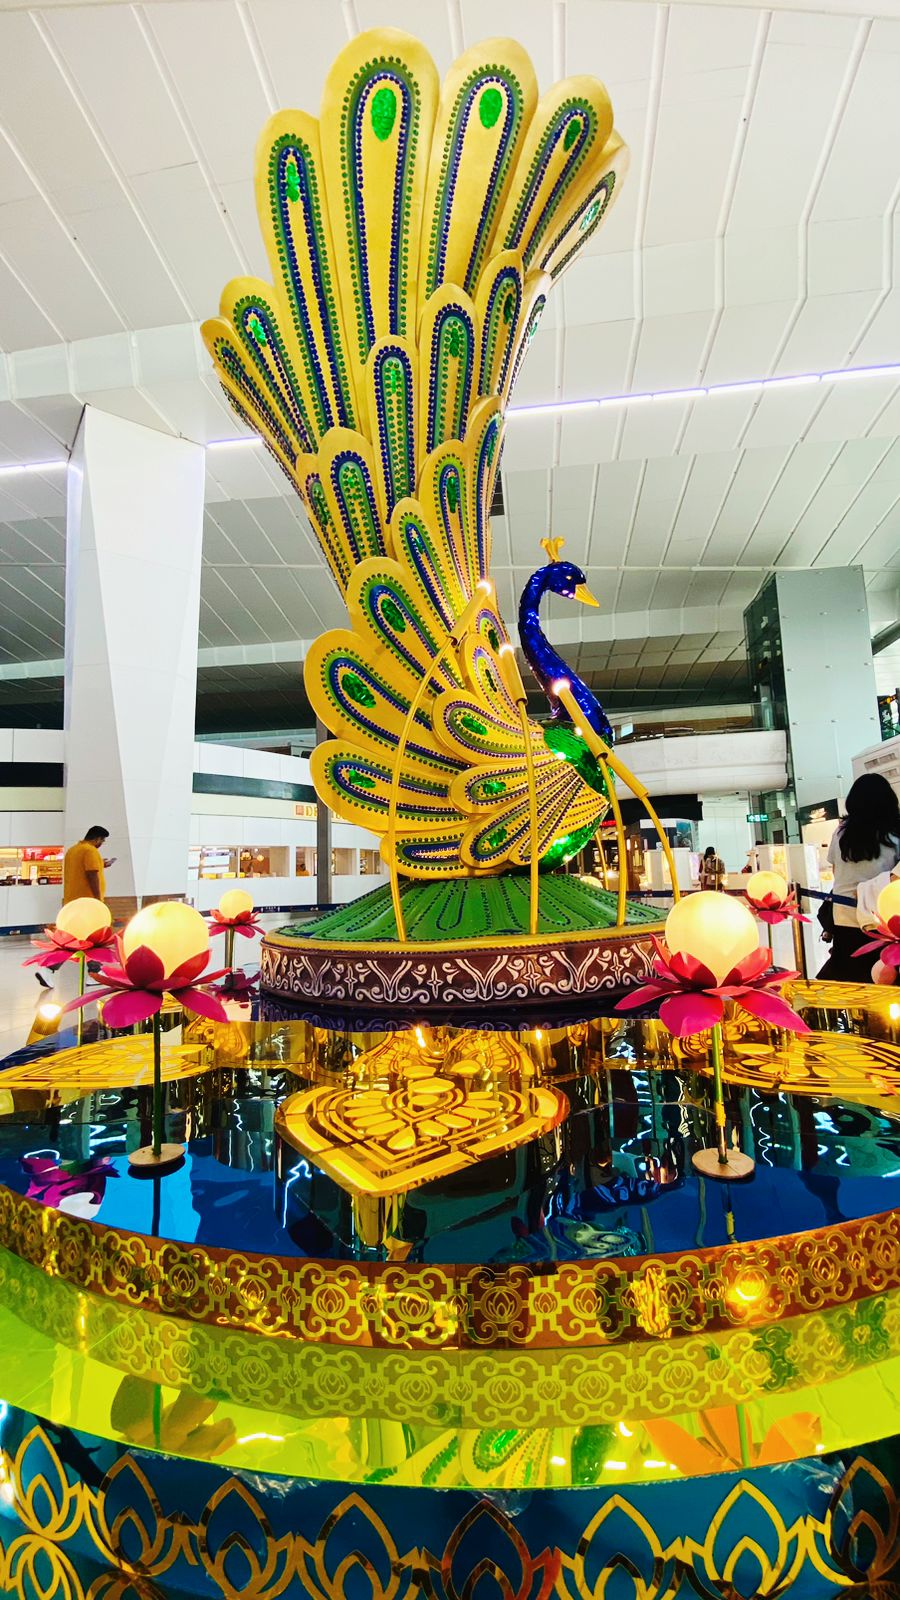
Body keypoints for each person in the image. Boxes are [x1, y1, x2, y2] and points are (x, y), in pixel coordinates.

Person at [818, 774, 900, 981]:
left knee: (853, 981)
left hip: (844, 917)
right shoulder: (894, 832)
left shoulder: (841, 832)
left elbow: (836, 872)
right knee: (886, 981)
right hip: (884, 923)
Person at [62, 826, 110, 904]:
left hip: (71, 900)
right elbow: (92, 874)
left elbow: (79, 868)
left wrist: (101, 864)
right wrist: (98, 898)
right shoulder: (90, 851)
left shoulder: (72, 850)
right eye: (102, 840)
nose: (102, 843)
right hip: (87, 900)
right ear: (97, 839)